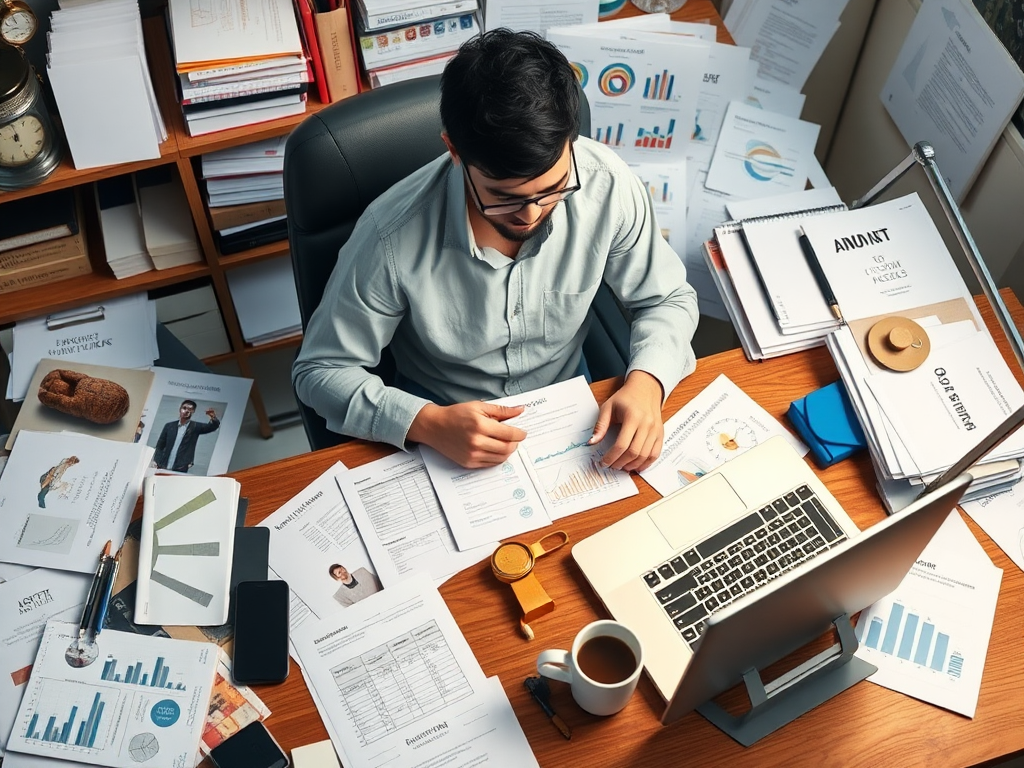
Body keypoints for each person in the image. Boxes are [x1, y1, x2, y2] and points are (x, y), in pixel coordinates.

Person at [293, 29, 698, 472]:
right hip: (446, 425)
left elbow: (668, 298)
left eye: (553, 189)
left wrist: (647, 382)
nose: (530, 214)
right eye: (504, 197)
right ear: (454, 151)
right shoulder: (389, 235)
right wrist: (425, 422)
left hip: (572, 410)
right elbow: (320, 371)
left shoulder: (607, 185)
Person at [152, 400, 220, 473]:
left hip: (181, 466)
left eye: (190, 409)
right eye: (184, 408)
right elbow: (160, 445)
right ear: (180, 409)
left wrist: (213, 417)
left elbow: (212, 427)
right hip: (163, 464)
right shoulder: (169, 426)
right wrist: (157, 460)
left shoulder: (195, 427)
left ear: (193, 411)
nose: (186, 411)